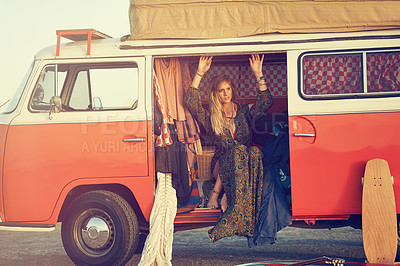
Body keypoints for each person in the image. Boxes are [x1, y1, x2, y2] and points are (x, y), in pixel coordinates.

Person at [184, 54, 273, 242]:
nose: (226, 93)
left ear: (232, 89)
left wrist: (259, 74)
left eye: (228, 89)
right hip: (221, 165)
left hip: (244, 168)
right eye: (221, 90)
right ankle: (220, 194)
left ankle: (222, 196)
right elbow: (191, 102)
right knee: (237, 151)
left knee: (252, 152)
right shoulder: (211, 117)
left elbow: (266, 102)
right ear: (215, 93)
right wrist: (200, 73)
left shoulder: (243, 111)